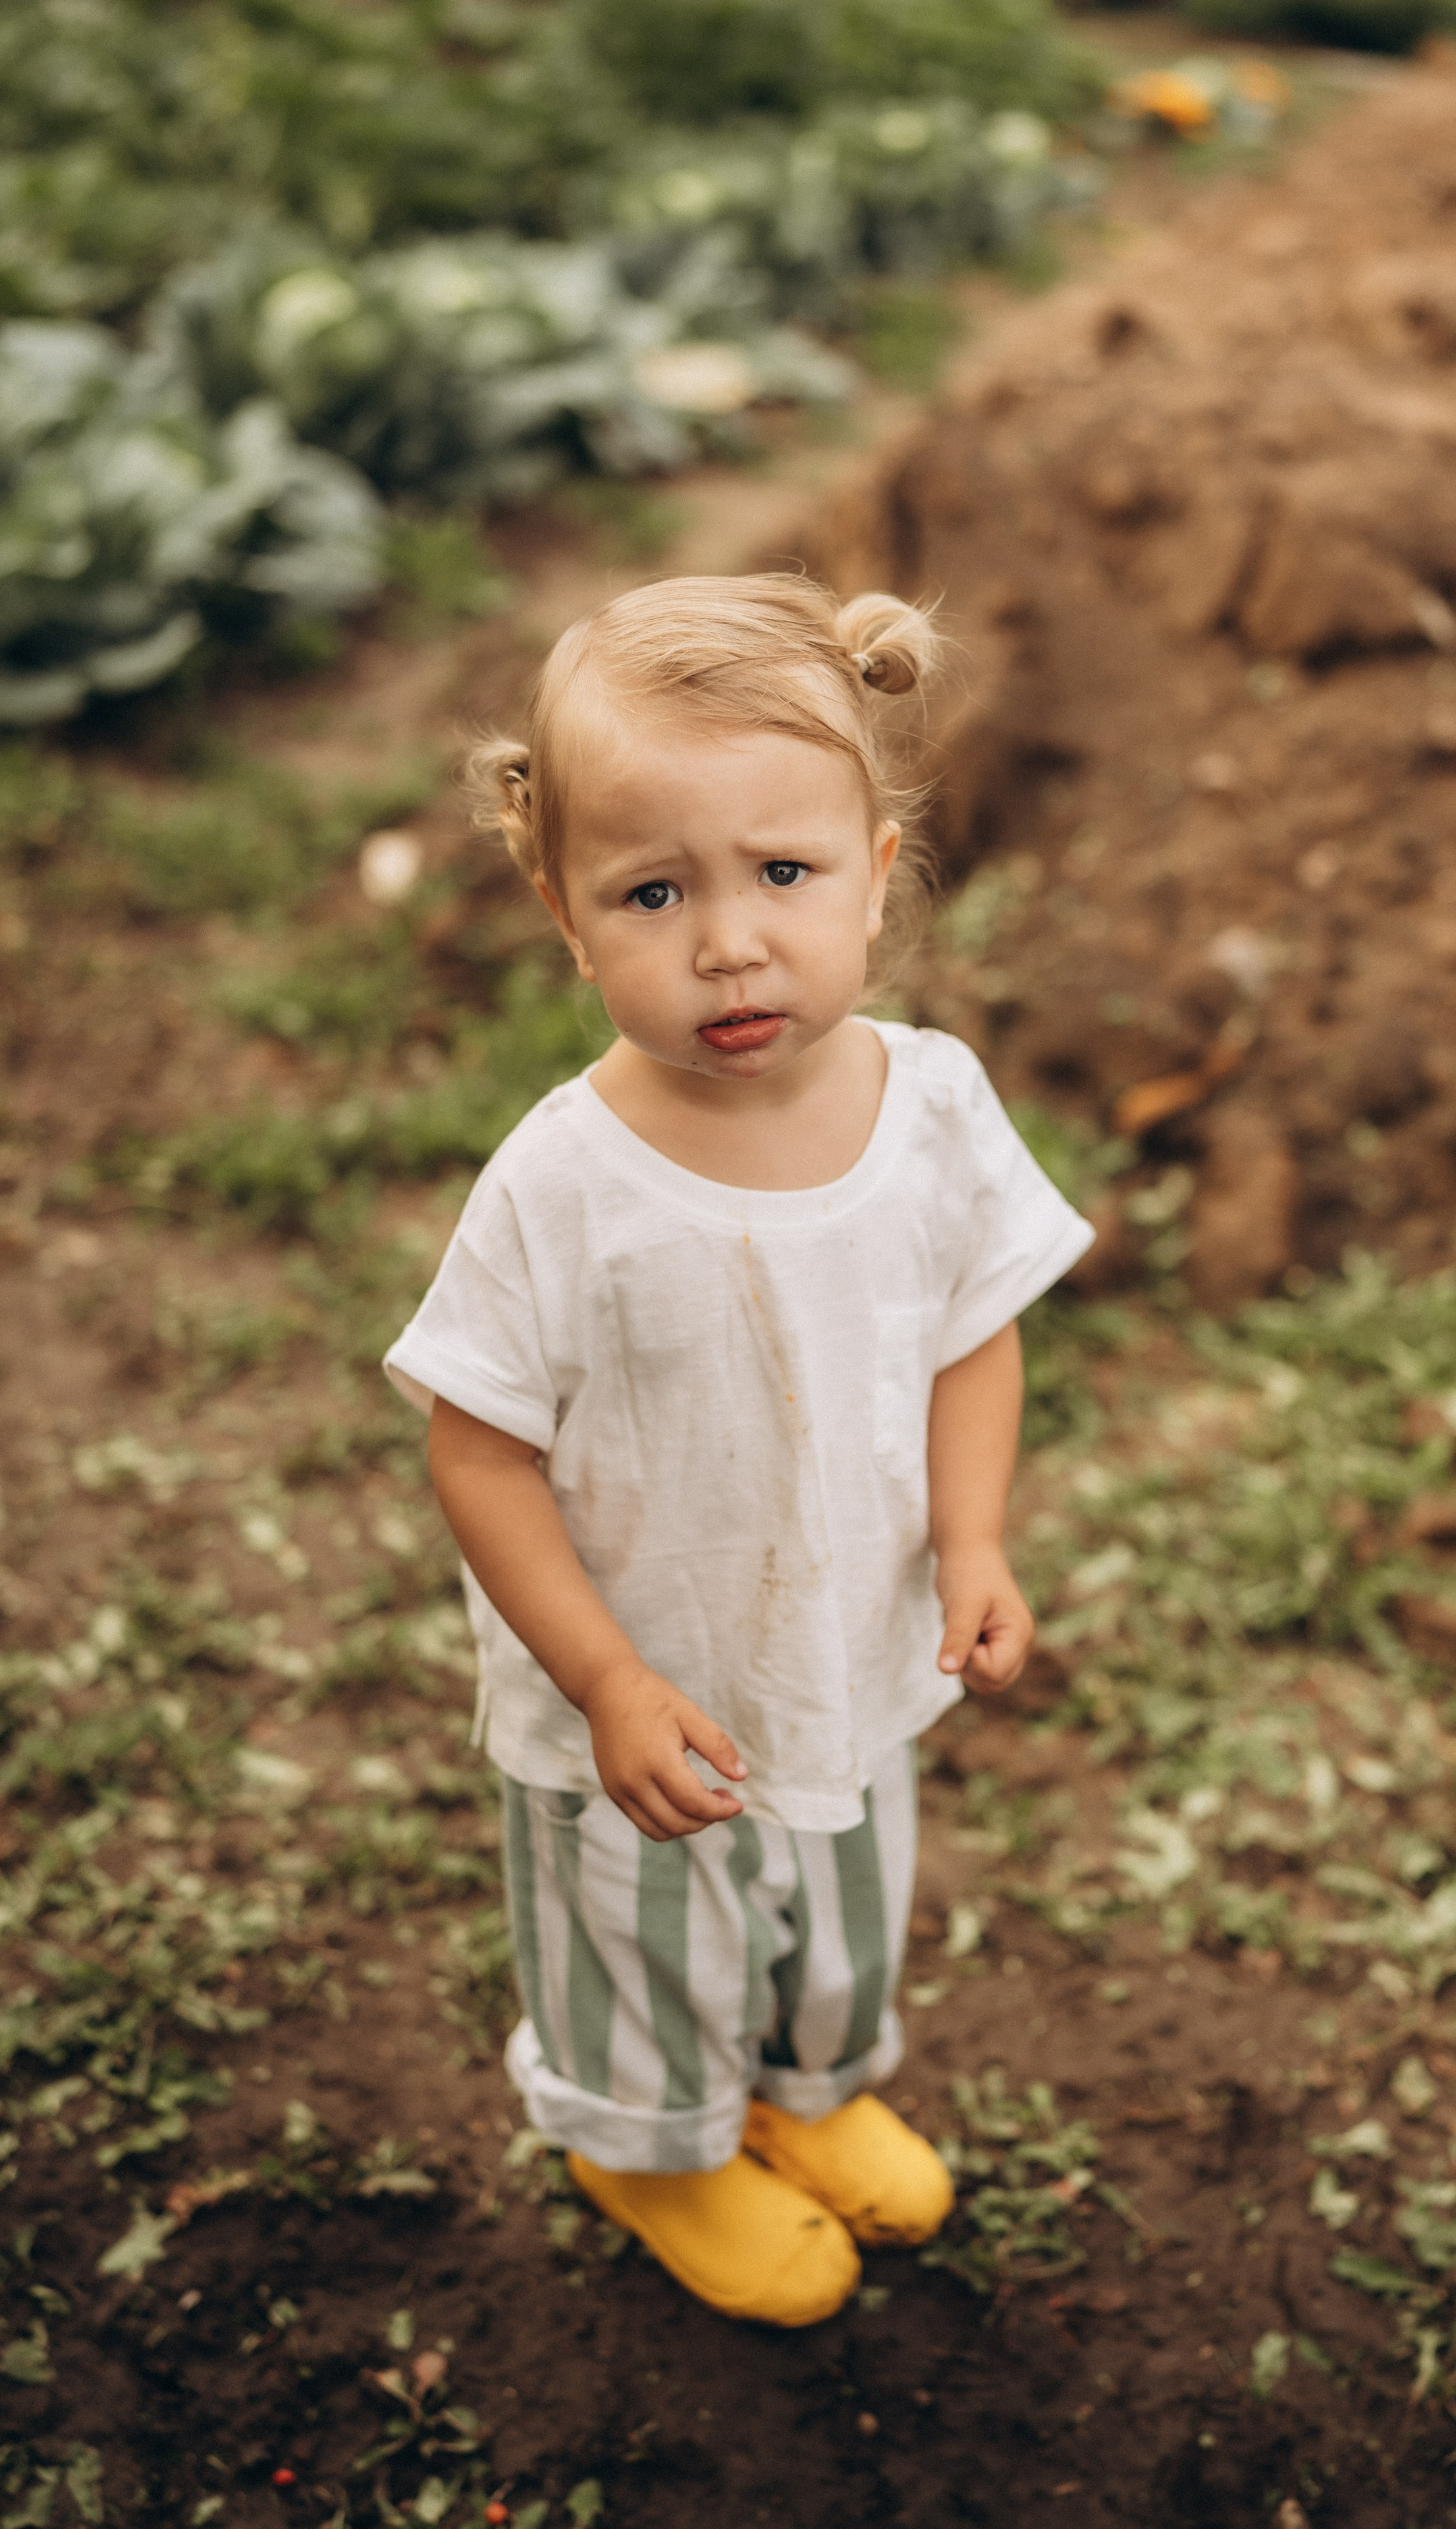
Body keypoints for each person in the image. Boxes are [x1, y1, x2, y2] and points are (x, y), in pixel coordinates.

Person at [384, 574, 1092, 2325]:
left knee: (834, 1907)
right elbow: (476, 1451)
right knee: (648, 1939)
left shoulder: (929, 1108)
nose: (728, 943)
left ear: (878, 861)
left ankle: (804, 2093)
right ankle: (654, 2147)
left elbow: (970, 1334)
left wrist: (977, 1543)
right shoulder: (563, 1184)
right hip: (639, 1693)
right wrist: (608, 1678)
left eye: (782, 873)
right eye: (653, 891)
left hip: (846, 1645)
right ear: (567, 914)